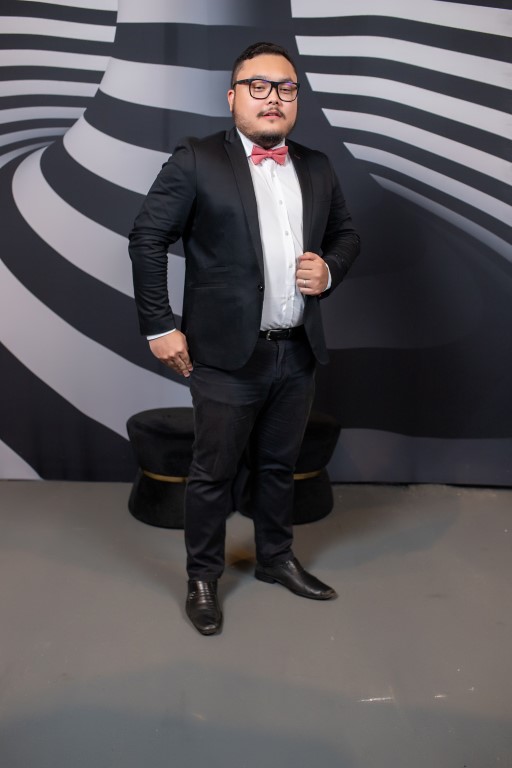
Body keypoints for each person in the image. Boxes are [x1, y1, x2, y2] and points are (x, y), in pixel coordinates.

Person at [129, 41, 360, 635]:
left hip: (297, 349)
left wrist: (329, 269)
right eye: (258, 86)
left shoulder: (316, 165)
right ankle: (203, 578)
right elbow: (147, 238)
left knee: (279, 466)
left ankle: (275, 557)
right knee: (213, 472)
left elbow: (346, 235)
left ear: (296, 99)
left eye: (285, 87)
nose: (273, 97)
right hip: (227, 356)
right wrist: (160, 325)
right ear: (232, 96)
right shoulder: (196, 158)